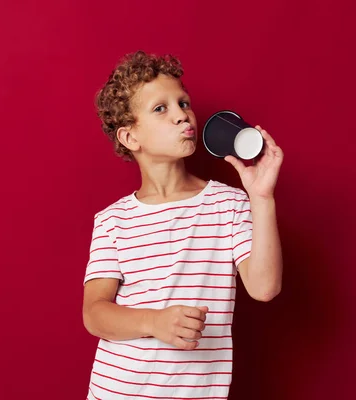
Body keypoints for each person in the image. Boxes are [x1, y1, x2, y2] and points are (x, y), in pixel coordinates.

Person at [82, 50, 284, 399]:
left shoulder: (228, 204)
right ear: (131, 138)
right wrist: (153, 322)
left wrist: (261, 198)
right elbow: (95, 314)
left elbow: (264, 288)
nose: (183, 115)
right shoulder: (113, 220)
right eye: (161, 108)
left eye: (183, 102)